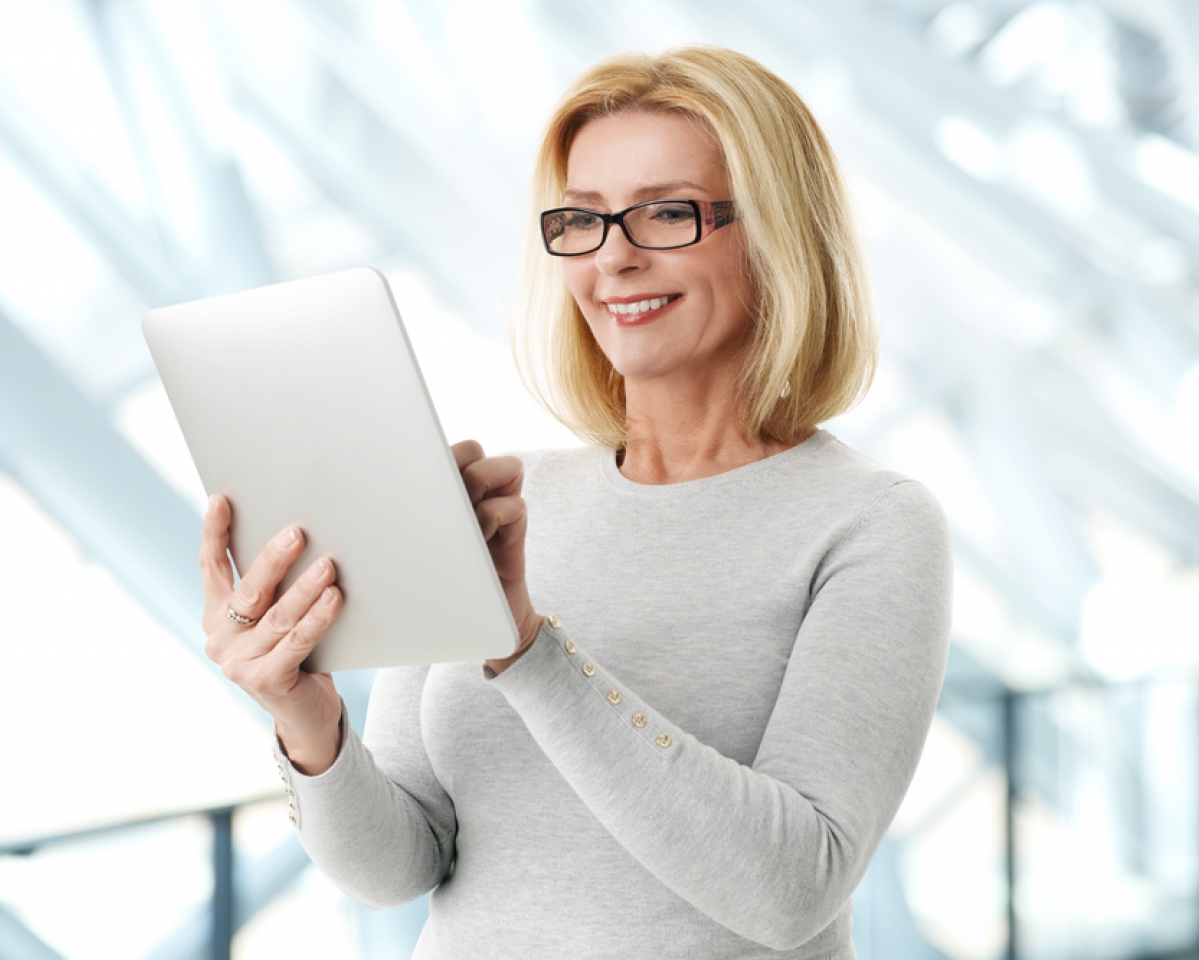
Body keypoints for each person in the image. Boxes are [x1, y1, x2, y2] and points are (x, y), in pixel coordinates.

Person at [200, 45, 952, 959]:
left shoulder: (871, 524)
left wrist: (527, 651)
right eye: (583, 221)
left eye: (666, 213)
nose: (616, 259)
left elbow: (793, 890)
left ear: (776, 230)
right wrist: (307, 721)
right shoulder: (506, 502)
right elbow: (398, 868)